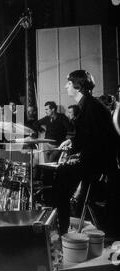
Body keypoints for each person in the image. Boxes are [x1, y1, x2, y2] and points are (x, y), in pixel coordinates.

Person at [54, 70, 118, 235]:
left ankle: (63, 230)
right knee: (63, 174)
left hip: (99, 164)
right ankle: (66, 224)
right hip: (97, 160)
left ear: (77, 86)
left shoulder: (89, 107)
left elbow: (93, 141)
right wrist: (72, 143)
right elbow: (87, 136)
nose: (66, 86)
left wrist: (74, 152)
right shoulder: (89, 104)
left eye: (69, 83)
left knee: (61, 177)